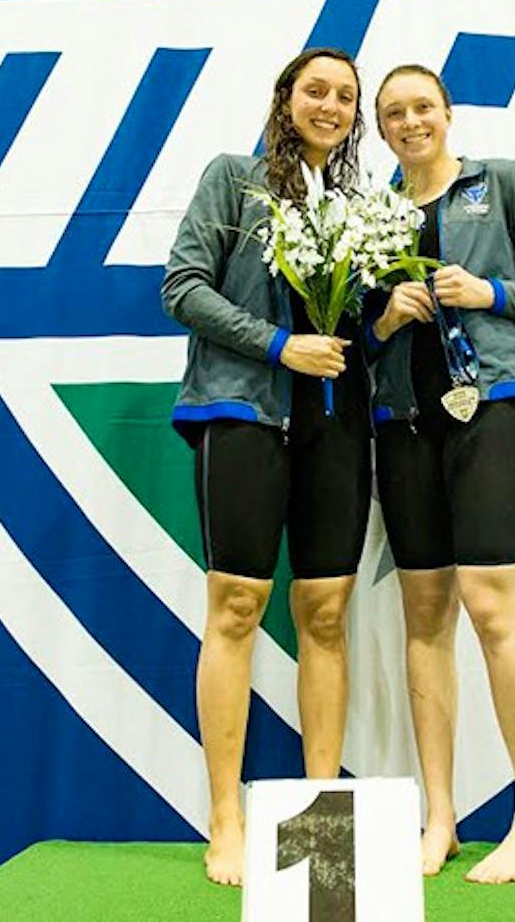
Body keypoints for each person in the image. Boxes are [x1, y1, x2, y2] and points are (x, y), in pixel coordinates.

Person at [368, 64, 515, 883]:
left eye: (422, 106)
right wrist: (385, 317)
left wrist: (488, 291)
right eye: (394, 113)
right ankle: (441, 818)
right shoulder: (372, 214)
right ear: (381, 129)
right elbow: (350, 332)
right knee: (424, 613)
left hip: (492, 405)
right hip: (404, 421)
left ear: (449, 113)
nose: (410, 121)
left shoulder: (502, 183)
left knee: (493, 604)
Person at [161, 47, 373, 886]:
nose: (331, 106)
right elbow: (183, 287)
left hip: (336, 426)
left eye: (346, 96)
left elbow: (361, 327)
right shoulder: (232, 179)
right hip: (244, 411)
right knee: (238, 605)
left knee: (325, 611)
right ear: (285, 99)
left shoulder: (361, 207)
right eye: (316, 90)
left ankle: (324, 828)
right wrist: (280, 344)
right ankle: (226, 817)